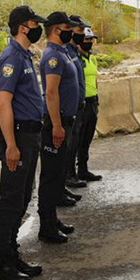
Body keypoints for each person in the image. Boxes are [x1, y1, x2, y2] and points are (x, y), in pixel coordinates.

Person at [0, 6, 48, 280]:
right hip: (18, 138)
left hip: (30, 136)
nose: (38, 27)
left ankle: (12, 257)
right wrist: (11, 144)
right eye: (34, 23)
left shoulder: (26, 56)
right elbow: (3, 103)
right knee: (11, 202)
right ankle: (2, 266)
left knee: (24, 198)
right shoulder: (11, 58)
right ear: (23, 27)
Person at [37, 11, 80, 243]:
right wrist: (56, 125)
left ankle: (53, 219)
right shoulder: (52, 56)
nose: (70, 31)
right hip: (57, 123)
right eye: (67, 27)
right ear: (56, 30)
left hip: (65, 122)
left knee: (58, 173)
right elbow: (51, 93)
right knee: (50, 176)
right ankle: (46, 225)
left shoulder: (62, 53)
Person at [63, 16, 89, 190]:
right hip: (69, 109)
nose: (82, 35)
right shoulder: (65, 52)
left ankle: (71, 175)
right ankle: (67, 177)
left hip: (79, 107)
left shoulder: (74, 52)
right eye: (80, 31)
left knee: (75, 144)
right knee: (68, 146)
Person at [75, 27, 102, 181]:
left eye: (91, 39)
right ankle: (72, 173)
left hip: (92, 103)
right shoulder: (76, 59)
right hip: (81, 104)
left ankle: (83, 169)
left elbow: (95, 80)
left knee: (87, 139)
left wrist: (97, 100)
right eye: (86, 39)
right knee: (77, 140)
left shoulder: (93, 59)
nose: (89, 42)